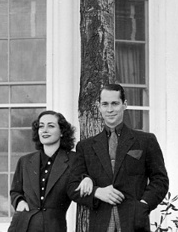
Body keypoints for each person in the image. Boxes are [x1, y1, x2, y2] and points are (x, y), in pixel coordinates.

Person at [67, 84, 169, 232]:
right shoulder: (86, 146)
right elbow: (72, 187)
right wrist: (97, 192)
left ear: (124, 105)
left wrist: (143, 205)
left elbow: (160, 180)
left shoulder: (145, 140)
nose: (110, 109)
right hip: (100, 224)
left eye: (115, 103)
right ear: (99, 107)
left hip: (134, 223)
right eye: (105, 104)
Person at [9, 110, 92, 232]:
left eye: (51, 126)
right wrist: (19, 202)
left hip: (53, 226)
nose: (45, 130)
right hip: (22, 225)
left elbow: (80, 178)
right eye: (41, 126)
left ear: (62, 132)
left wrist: (87, 179)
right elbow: (15, 191)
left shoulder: (73, 159)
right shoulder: (25, 161)